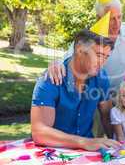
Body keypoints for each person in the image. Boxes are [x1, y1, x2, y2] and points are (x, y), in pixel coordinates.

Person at [47, 0, 125, 138]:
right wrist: (55, 63)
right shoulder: (91, 37)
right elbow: (69, 58)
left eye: (119, 17)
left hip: (124, 97)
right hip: (95, 94)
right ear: (99, 18)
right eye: (111, 18)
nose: (116, 23)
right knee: (94, 137)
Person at [31, 12, 120, 151]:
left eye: (106, 57)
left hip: (88, 155)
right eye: (99, 55)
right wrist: (83, 142)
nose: (102, 62)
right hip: (53, 153)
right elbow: (40, 132)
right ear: (79, 49)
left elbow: (107, 117)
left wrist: (119, 145)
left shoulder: (101, 78)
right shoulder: (51, 79)